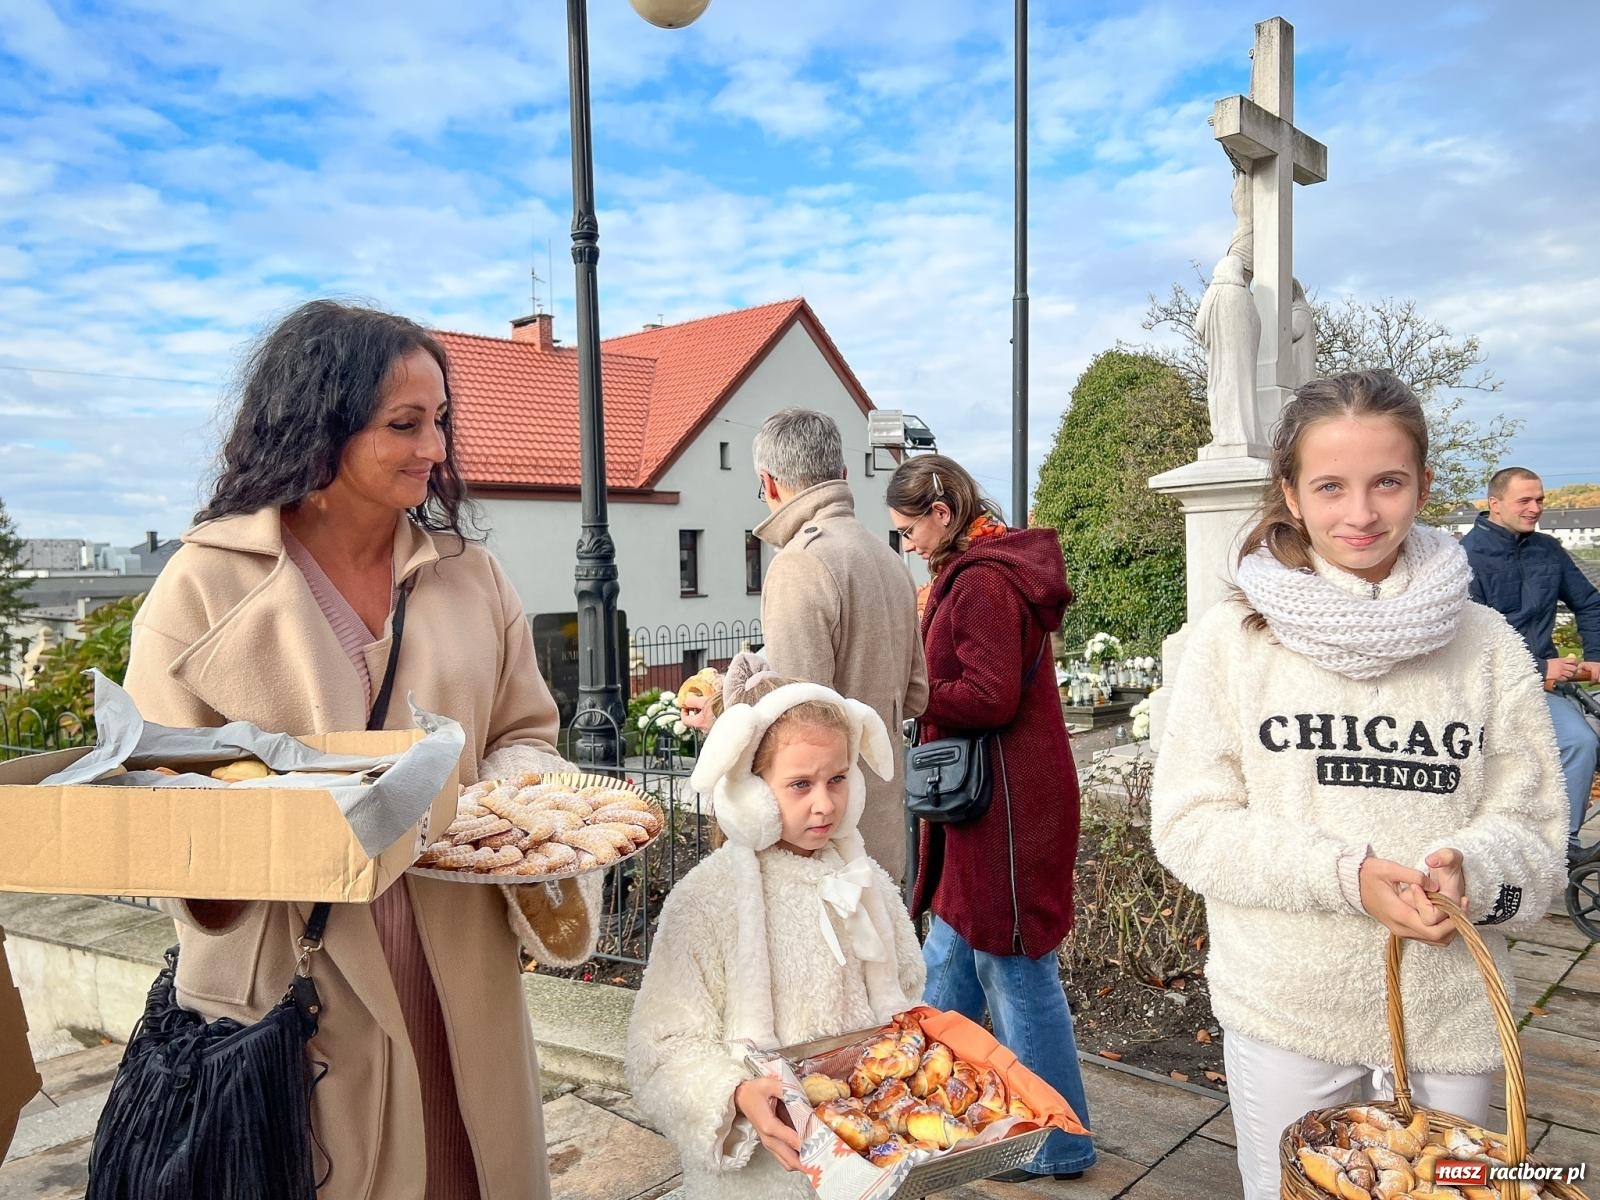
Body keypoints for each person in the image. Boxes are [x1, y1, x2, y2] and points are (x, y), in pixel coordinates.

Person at [123, 300, 600, 1200]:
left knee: (468, 1165)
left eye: (441, 421)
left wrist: (497, 808)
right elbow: (153, 809)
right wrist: (263, 837)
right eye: (404, 424)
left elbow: (526, 734)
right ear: (320, 425)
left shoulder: (472, 574)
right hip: (293, 987)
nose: (434, 448)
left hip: (457, 964)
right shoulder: (200, 587)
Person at [1149, 370, 1566, 1200]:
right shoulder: (1231, 643)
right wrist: (1346, 876)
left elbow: (1539, 843)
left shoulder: (1484, 645)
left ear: (1424, 485)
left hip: (1450, 1017)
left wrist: (1470, 872)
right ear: (1291, 496)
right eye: (1330, 486)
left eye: (1388, 482)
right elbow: (1191, 825)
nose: (1362, 513)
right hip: (1287, 1011)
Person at [625, 657, 926, 1200]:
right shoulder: (708, 902)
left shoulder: (866, 884)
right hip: (759, 1184)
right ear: (750, 794)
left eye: (837, 779)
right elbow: (661, 1047)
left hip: (868, 1164)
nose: (824, 803)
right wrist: (734, 1095)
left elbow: (907, 994)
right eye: (799, 784)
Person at [885, 454, 1096, 1184]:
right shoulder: (981, 570)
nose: (906, 543)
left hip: (1005, 809)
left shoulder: (981, 583)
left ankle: (1060, 1142)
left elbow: (989, 696)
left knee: (1015, 967)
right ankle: (927, 1106)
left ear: (941, 514)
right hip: (990, 805)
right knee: (950, 955)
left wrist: (913, 691)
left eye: (908, 528)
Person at [753, 408, 928, 883]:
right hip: (884, 817)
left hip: (821, 835)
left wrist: (727, 711)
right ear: (844, 475)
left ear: (768, 484)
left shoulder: (799, 564)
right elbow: (916, 694)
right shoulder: (889, 558)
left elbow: (794, 725)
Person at [1461, 467, 1600, 868]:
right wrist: (1539, 668)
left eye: (1539, 499)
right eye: (1524, 500)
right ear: (1495, 504)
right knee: (1576, 742)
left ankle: (1562, 845)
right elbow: (1471, 640)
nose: (1535, 508)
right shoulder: (1465, 558)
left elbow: (1589, 602)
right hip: (1491, 690)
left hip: (1544, 688)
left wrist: (1595, 657)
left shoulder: (1547, 550)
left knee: (1581, 742)